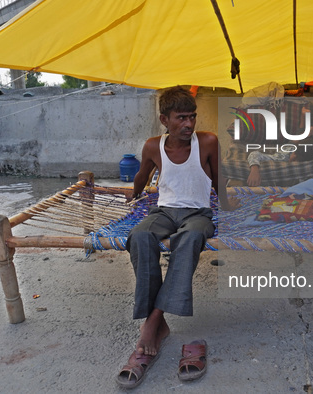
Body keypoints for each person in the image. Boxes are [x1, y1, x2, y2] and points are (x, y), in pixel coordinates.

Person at [116, 86, 238, 389]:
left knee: (190, 239)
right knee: (140, 236)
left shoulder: (207, 142)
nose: (188, 124)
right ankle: (157, 320)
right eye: (181, 118)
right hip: (164, 211)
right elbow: (142, 176)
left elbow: (218, 178)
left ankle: (152, 322)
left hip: (198, 214)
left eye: (192, 117)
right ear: (164, 119)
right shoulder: (153, 146)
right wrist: (134, 195)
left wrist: (227, 207)